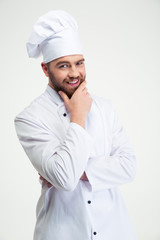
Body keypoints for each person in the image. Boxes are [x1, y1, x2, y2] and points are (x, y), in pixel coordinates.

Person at [14, 10, 137, 240]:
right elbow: (65, 179)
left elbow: (129, 166)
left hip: (116, 231)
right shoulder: (30, 118)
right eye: (63, 66)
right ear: (45, 69)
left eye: (79, 63)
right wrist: (78, 116)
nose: (74, 73)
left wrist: (75, 169)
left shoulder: (105, 108)